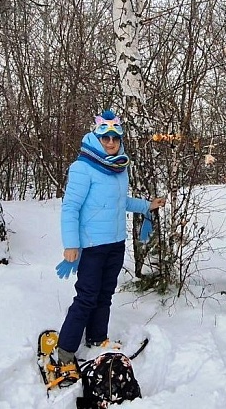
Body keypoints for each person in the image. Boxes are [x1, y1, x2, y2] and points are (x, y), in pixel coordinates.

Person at [51, 109, 165, 383]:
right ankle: (65, 351)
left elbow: (120, 201)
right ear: (96, 137)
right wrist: (71, 244)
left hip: (115, 243)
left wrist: (146, 206)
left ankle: (97, 338)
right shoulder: (82, 167)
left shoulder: (118, 167)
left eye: (115, 137)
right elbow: (70, 208)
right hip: (90, 245)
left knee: (105, 294)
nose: (111, 142)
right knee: (87, 296)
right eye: (105, 137)